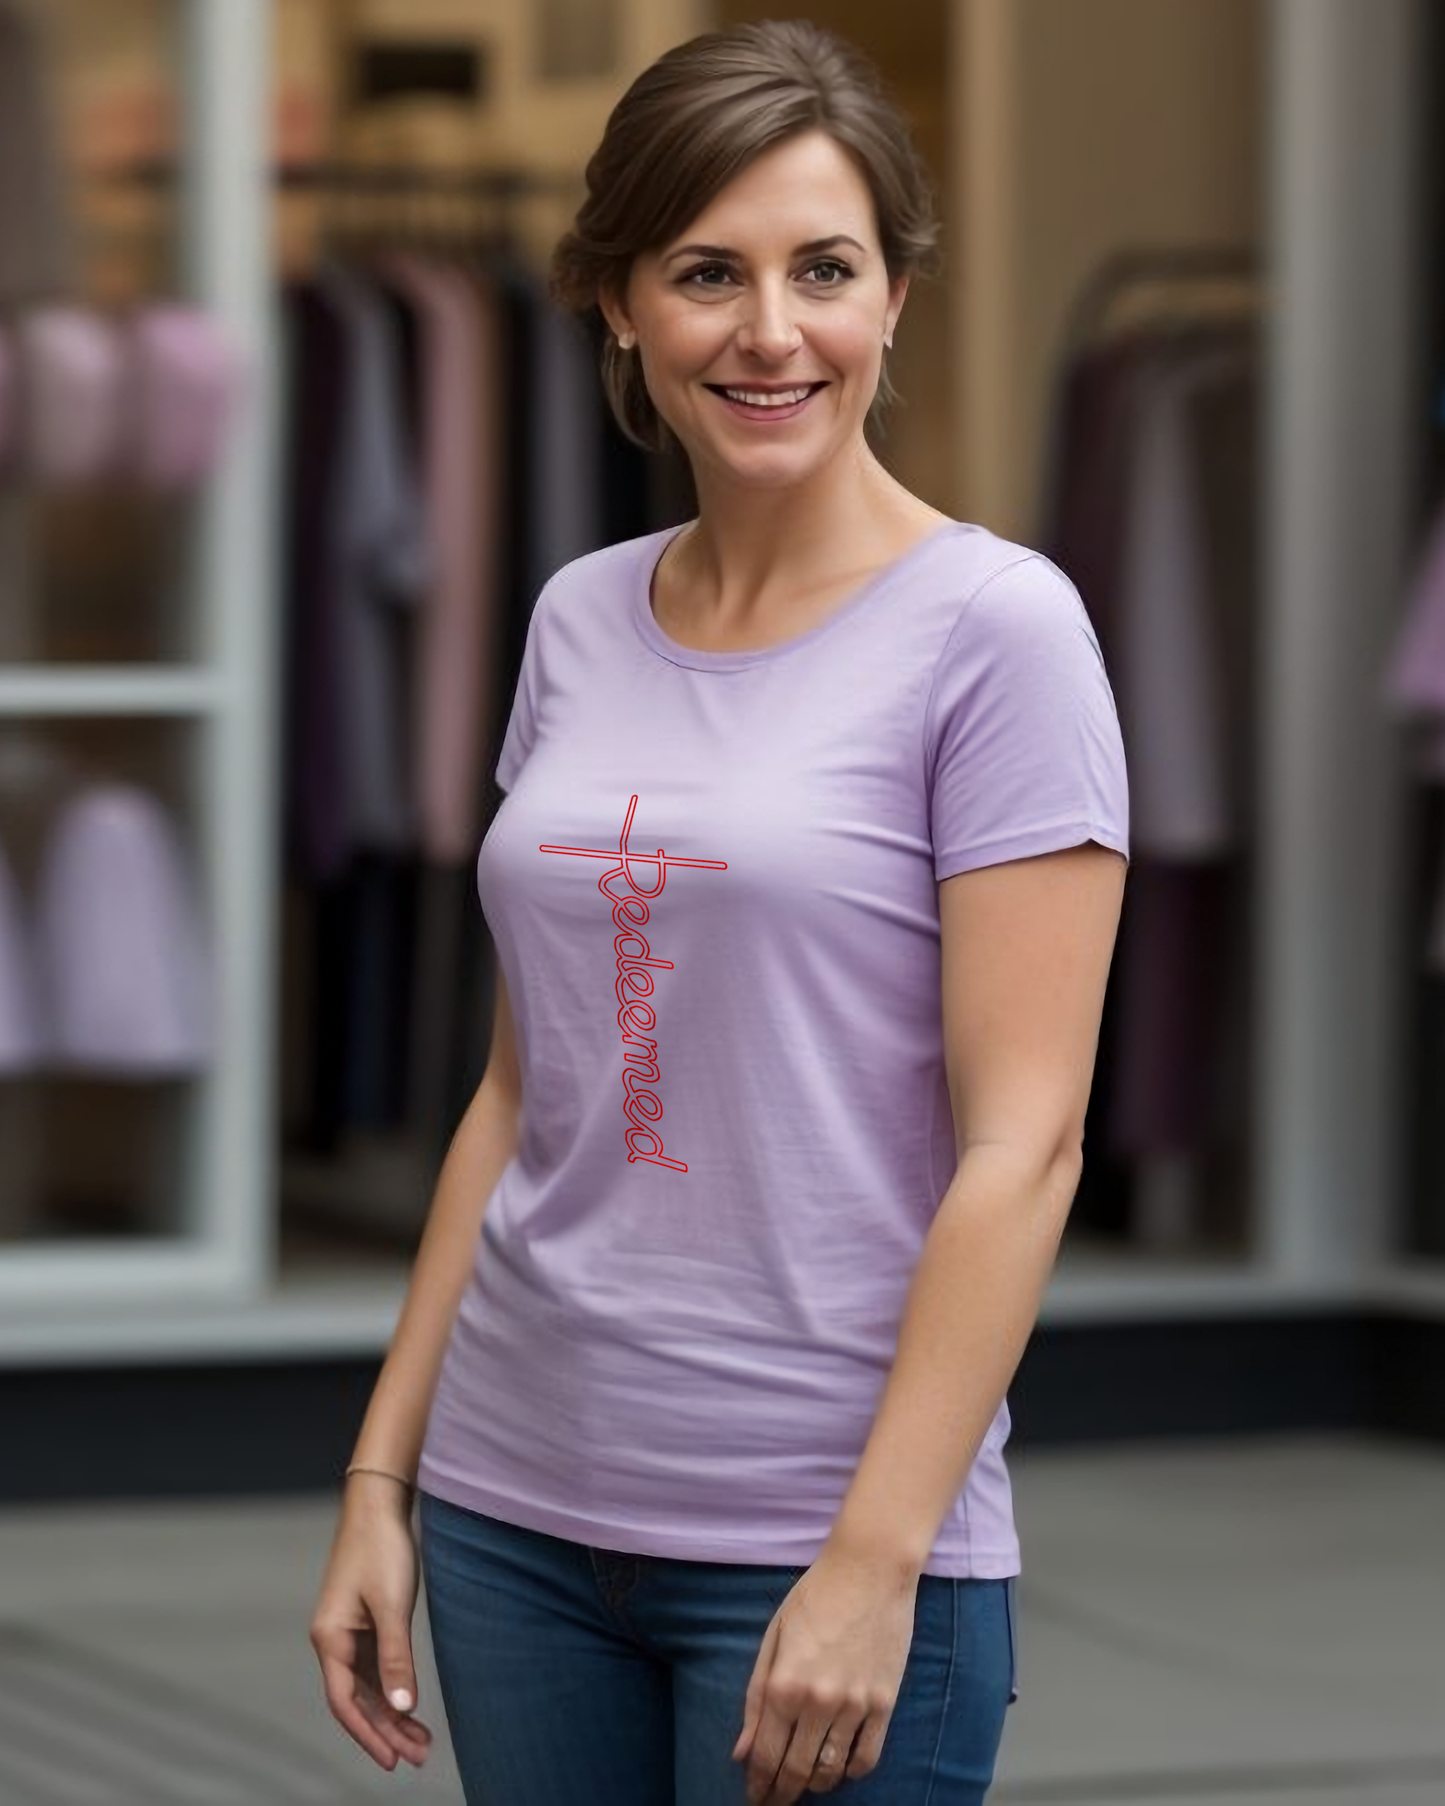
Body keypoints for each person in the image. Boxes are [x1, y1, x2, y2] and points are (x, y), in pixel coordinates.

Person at [309, 20, 1129, 1805]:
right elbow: (526, 1097)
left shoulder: (997, 633)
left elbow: (1029, 1145)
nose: (772, 331)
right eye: (708, 273)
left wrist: (873, 1558)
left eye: (823, 269)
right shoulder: (578, 617)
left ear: (895, 298)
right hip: (516, 1512)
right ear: (616, 303)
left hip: (814, 1536)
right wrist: (386, 1472)